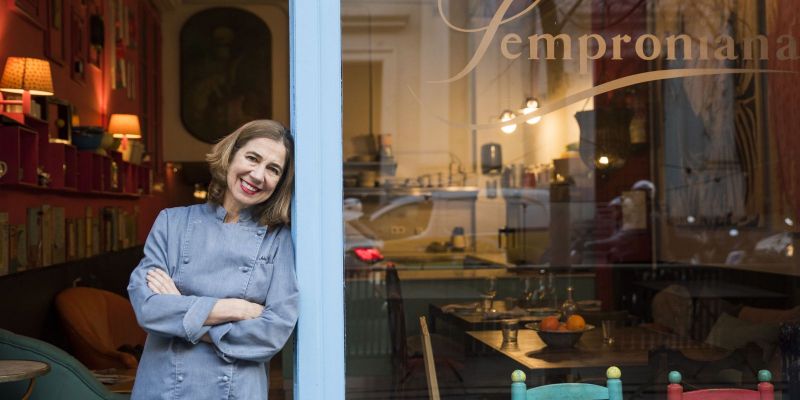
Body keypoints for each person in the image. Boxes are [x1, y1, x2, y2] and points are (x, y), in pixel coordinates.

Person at [127, 120, 298, 399]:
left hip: (236, 391)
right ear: (231, 155)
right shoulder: (172, 222)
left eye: (273, 169)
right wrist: (232, 308)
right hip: (164, 387)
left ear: (280, 182)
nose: (257, 175)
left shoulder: (278, 241)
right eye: (252, 158)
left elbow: (271, 334)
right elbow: (147, 308)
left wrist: (187, 320)